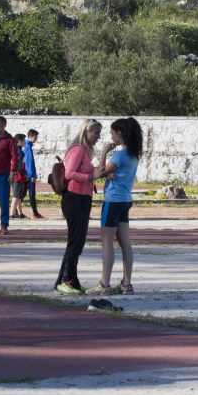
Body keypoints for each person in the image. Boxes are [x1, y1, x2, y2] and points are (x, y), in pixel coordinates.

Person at [86, 118, 142, 296]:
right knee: (125, 243)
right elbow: (110, 171)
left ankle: (104, 284)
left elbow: (99, 172)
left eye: (112, 133)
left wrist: (103, 152)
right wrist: (109, 172)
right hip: (125, 199)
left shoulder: (118, 155)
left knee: (107, 242)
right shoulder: (133, 154)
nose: (110, 137)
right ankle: (127, 283)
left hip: (113, 200)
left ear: (120, 134)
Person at [54, 118, 102, 295]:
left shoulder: (85, 151)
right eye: (95, 132)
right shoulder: (78, 149)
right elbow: (69, 173)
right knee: (76, 242)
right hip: (74, 197)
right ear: (86, 132)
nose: (98, 136)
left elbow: (84, 170)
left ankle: (69, 280)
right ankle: (66, 280)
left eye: (99, 132)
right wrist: (89, 178)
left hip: (83, 198)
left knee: (77, 242)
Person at [23, 129, 44, 219]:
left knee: (21, 194)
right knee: (31, 194)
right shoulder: (27, 146)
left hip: (24, 174)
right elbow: (29, 162)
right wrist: (32, 175)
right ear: (30, 136)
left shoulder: (25, 145)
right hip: (28, 175)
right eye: (35, 137)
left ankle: (15, 211)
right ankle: (35, 213)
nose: (36, 139)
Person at [9, 134, 28, 219]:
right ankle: (12, 213)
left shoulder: (16, 149)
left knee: (18, 195)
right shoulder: (19, 151)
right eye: (24, 140)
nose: (25, 142)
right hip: (17, 175)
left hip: (15, 175)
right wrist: (23, 174)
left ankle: (20, 213)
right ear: (19, 141)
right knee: (16, 195)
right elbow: (19, 165)